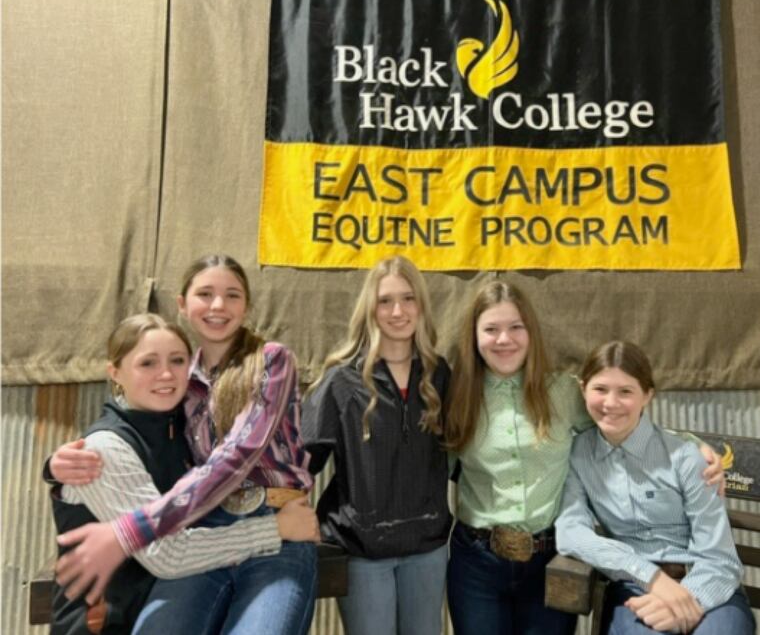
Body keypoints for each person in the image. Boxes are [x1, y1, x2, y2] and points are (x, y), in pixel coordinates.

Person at [50, 255, 320, 635]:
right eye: (205, 293)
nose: (217, 306)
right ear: (182, 304)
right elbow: (130, 431)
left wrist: (133, 529)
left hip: (276, 522)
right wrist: (57, 465)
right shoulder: (180, 379)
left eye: (232, 295)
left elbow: (236, 456)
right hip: (202, 531)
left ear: (247, 305)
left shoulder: (271, 360)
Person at [443, 281, 724, 635]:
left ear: (531, 332)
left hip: (550, 560)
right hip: (476, 562)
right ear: (474, 336)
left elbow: (620, 418)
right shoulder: (456, 394)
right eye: (491, 329)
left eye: (516, 327)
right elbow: (435, 462)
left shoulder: (561, 390)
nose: (504, 339)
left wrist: (690, 443)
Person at [555, 341, 755, 635]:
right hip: (632, 589)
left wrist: (688, 602)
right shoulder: (578, 455)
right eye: (600, 389)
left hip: (709, 587)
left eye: (626, 391)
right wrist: (651, 577)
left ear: (647, 395)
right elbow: (571, 533)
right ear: (583, 389)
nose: (610, 403)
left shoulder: (687, 457)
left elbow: (720, 559)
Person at [301, 255, 451, 635]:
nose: (397, 311)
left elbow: (462, 454)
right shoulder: (340, 380)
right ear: (370, 308)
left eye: (407, 298)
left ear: (421, 305)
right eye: (385, 301)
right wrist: (295, 519)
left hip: (427, 548)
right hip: (362, 551)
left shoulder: (440, 375)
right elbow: (302, 464)